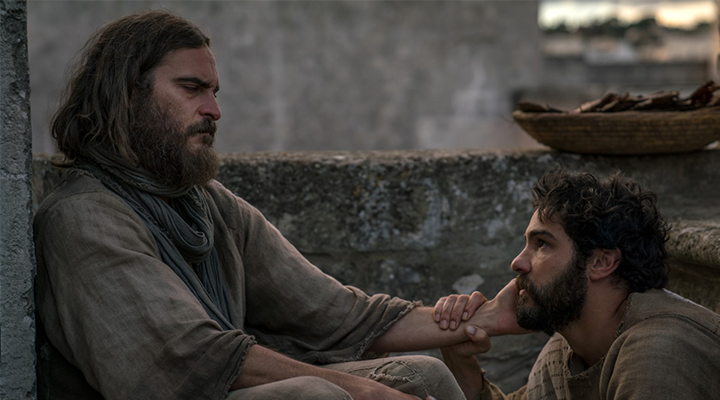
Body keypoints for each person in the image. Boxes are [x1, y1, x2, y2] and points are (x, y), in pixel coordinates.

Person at [34, 9, 511, 400]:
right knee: (313, 396)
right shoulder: (83, 217)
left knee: (423, 377)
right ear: (127, 96)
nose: (214, 111)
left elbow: (337, 315)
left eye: (214, 93)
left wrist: (488, 318)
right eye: (191, 89)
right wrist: (365, 392)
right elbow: (190, 359)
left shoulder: (209, 208)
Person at [432, 169, 720, 400]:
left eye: (542, 244)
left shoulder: (659, 354)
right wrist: (460, 354)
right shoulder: (568, 347)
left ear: (601, 262)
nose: (518, 263)